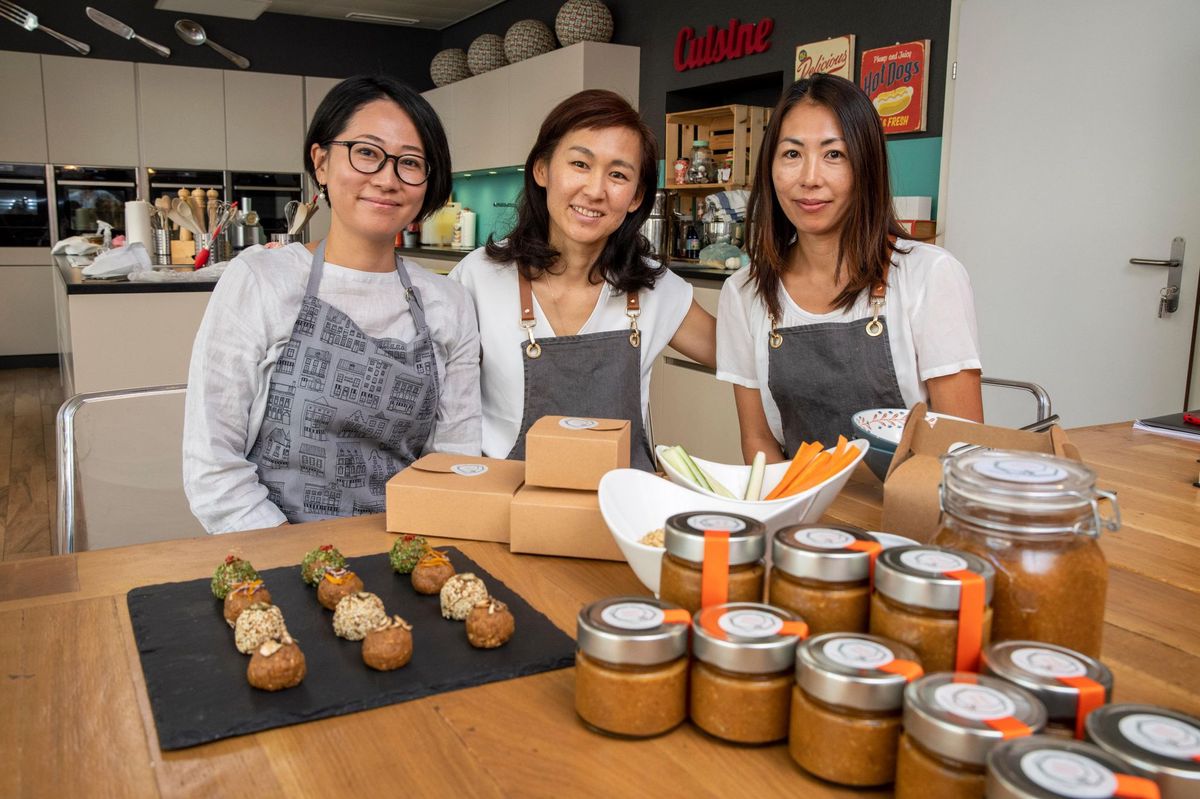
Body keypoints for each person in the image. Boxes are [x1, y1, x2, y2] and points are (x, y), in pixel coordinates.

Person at [184, 75, 481, 533]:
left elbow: (454, 462)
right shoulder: (260, 280)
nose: (387, 179)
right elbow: (213, 465)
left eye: (410, 162)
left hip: (407, 545)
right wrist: (300, 560)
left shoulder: (449, 302)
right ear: (321, 162)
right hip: (275, 550)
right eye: (367, 152)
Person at [717, 73, 982, 464]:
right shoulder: (745, 292)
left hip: (913, 500)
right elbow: (759, 441)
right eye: (791, 154)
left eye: (834, 155)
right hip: (798, 499)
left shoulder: (930, 276)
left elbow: (962, 449)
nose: (810, 179)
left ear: (866, 166)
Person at [449, 89, 715, 470]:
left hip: (619, 503)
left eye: (618, 175)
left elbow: (747, 357)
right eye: (580, 164)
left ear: (636, 196)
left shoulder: (656, 289)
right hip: (507, 499)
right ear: (542, 169)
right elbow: (441, 414)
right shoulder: (477, 278)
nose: (595, 190)